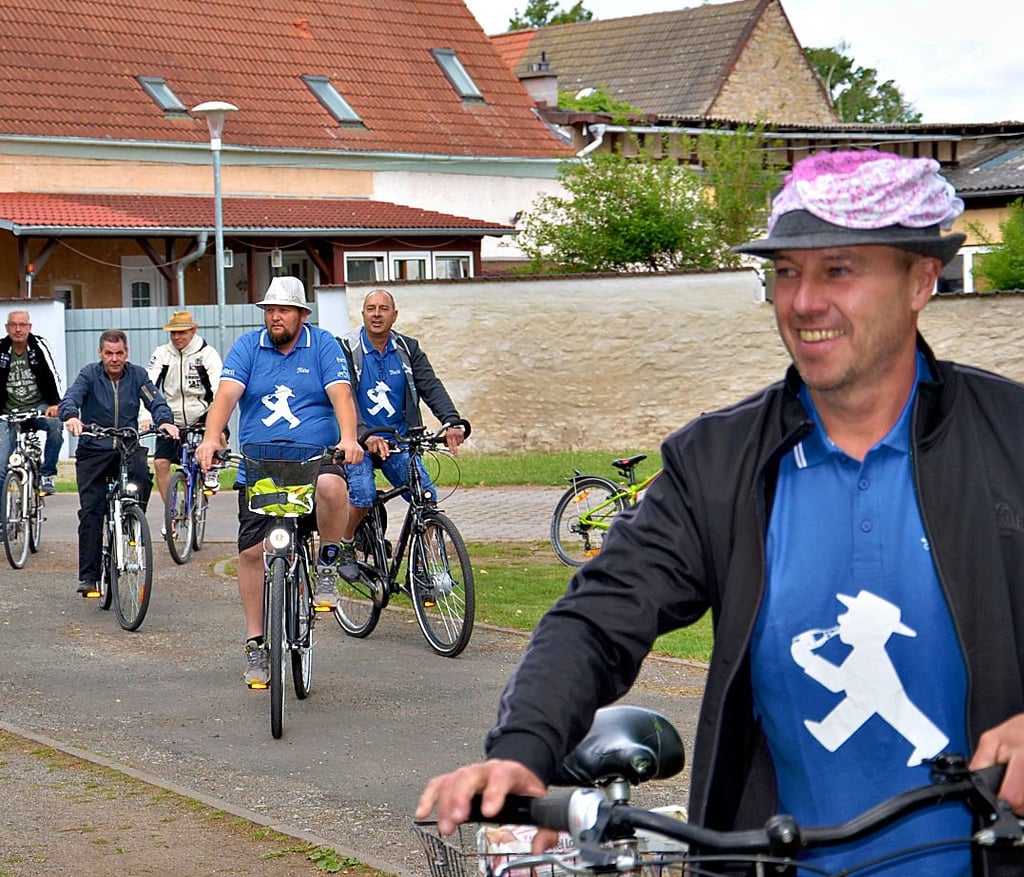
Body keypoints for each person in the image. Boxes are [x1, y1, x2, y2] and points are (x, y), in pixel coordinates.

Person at [416, 150, 1024, 877]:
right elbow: (601, 613)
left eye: (838, 270)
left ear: (922, 279)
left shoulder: (1010, 439)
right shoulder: (720, 461)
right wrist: (523, 750)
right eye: (786, 272)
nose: (804, 302)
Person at [195, 276, 363, 689]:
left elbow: (342, 395)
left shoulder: (323, 345)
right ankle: (256, 643)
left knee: (333, 488)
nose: (275, 317)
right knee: (253, 552)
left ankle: (327, 564)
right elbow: (226, 396)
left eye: (283, 310)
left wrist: (348, 438)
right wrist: (211, 437)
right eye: (269, 310)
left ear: (301, 314)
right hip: (261, 465)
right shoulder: (248, 347)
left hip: (314, 458)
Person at [337, 289, 468, 558]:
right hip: (359, 441)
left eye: (383, 309)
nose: (376, 314)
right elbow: (343, 395)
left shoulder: (408, 349)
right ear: (363, 314)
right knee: (362, 496)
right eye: (371, 308)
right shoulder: (346, 348)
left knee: (426, 498)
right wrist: (363, 434)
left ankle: (425, 563)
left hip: (398, 441)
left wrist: (451, 421)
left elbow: (431, 386)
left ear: (394, 315)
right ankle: (346, 542)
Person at [59, 330, 178, 596]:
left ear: (127, 353)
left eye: (119, 353)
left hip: (127, 446)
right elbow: (72, 398)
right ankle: (89, 577)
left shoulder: (137, 375)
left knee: (142, 479)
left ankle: (132, 522)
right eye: (109, 353)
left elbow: (156, 401)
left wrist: (164, 421)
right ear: (100, 354)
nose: (114, 359)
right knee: (91, 510)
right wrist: (71, 416)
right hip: (94, 449)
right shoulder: (89, 375)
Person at [145, 310, 225, 508]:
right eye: (173, 333)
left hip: (202, 414)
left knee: (220, 435)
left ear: (193, 331)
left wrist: (216, 418)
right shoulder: (162, 354)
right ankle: (171, 512)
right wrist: (146, 416)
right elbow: (148, 387)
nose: (176, 337)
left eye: (182, 332)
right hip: (171, 418)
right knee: (160, 464)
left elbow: (219, 389)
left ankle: (212, 471)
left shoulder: (207, 354)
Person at [0, 309, 65, 495]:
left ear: (29, 327)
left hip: (38, 408)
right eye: (13, 325)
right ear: (7, 328)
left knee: (56, 425)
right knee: (1, 467)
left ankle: (47, 474)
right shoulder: (1, 350)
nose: (18, 329)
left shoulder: (39, 346)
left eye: (22, 325)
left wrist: (56, 404)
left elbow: (54, 374)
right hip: (7, 412)